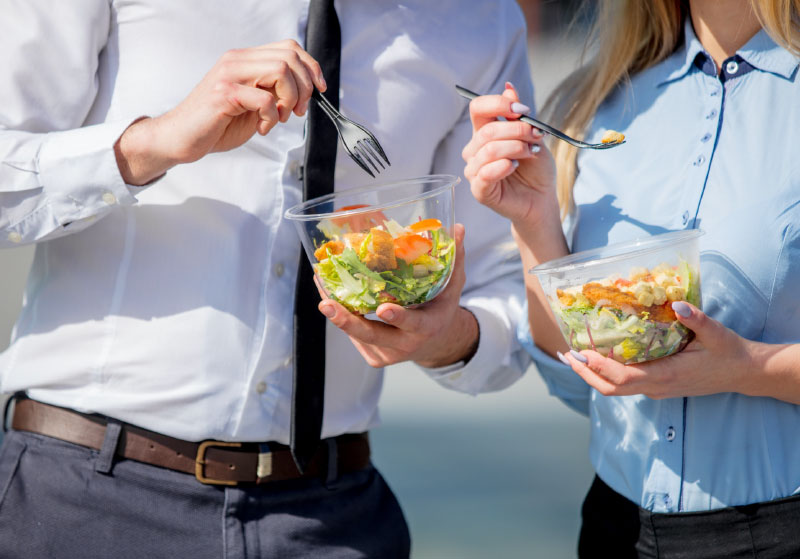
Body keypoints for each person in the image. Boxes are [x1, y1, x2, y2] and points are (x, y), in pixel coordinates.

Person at [0, 1, 533, 557]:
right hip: (81, 498)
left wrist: (444, 337)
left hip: (332, 520)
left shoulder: (481, 20)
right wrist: (152, 143)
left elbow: (508, 298)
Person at [463, 0, 800, 557]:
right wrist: (533, 219)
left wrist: (747, 368)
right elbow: (575, 376)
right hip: (615, 528)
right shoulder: (597, 104)